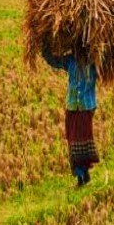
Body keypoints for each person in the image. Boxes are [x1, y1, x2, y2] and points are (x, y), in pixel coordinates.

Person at [42, 47, 99, 187]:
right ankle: (82, 174)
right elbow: (54, 61)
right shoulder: (70, 61)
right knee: (73, 140)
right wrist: (44, 49)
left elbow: (111, 61)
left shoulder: (94, 62)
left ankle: (82, 175)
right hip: (72, 107)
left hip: (86, 107)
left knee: (83, 140)